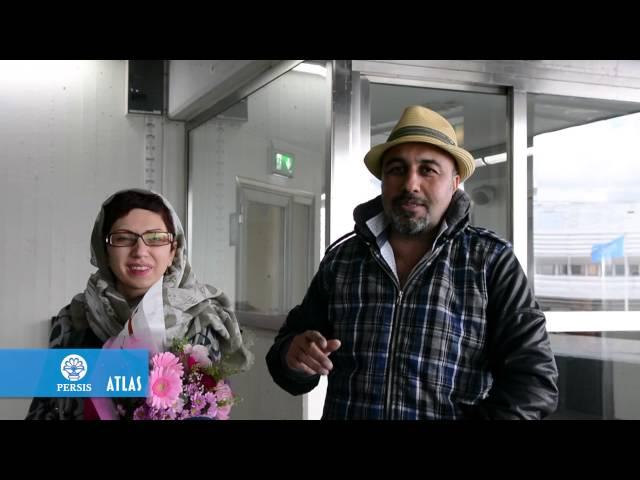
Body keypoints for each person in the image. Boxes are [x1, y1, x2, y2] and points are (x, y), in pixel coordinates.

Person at [266, 105, 559, 419]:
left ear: (455, 181)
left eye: (428, 170)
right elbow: (288, 357)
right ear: (383, 180)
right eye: (396, 169)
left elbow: (535, 384)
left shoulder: (490, 261)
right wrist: (293, 356)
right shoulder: (343, 260)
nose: (410, 184)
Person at [26, 188, 253, 420]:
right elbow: (44, 405)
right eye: (124, 238)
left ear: (173, 250)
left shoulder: (200, 319)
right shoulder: (75, 318)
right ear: (104, 249)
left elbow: (204, 408)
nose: (140, 251)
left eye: (155, 238)